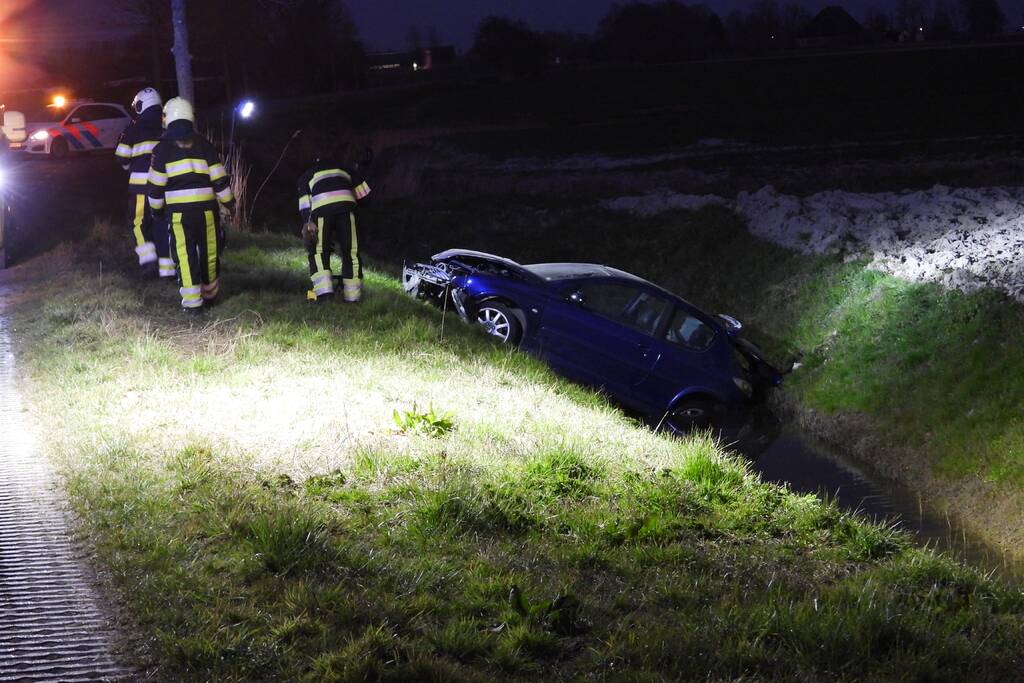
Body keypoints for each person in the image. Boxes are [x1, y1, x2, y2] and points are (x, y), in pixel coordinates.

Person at [147, 98, 234, 312]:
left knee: (184, 255)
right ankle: (211, 296)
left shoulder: (161, 149)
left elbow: (155, 188)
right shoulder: (205, 144)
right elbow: (219, 179)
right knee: (209, 252)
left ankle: (193, 304)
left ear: (167, 119)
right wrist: (229, 203)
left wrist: (157, 211)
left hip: (178, 214)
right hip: (206, 211)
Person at [116, 88, 175, 278]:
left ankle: (149, 261)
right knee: (163, 222)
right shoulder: (166, 127)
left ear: (141, 105)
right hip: (165, 187)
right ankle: (169, 268)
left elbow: (122, 157)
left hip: (141, 188)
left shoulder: (133, 129)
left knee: (139, 222)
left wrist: (129, 167)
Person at [296, 153, 371, 302]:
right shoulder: (346, 169)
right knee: (351, 252)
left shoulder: (307, 175)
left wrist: (308, 223)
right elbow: (366, 195)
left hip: (322, 210)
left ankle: (324, 295)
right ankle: (353, 297)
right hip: (347, 209)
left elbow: (305, 204)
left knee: (318, 251)